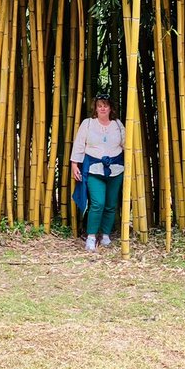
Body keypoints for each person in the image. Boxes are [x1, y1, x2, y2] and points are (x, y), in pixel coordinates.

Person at [70, 95, 126, 252]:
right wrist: (75, 164)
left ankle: (106, 235)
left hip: (116, 168)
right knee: (98, 203)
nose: (102, 108)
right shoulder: (87, 124)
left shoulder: (117, 124)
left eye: (106, 105)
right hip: (94, 168)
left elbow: (126, 144)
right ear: (95, 108)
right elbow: (79, 144)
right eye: (100, 105)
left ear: (110, 108)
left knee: (110, 204)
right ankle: (91, 236)